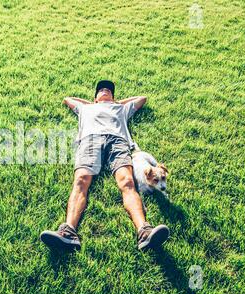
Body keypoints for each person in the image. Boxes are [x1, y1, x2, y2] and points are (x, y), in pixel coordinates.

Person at [40, 80, 170, 252]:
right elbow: (67, 99)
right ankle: (68, 233)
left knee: (127, 182)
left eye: (108, 90)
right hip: (90, 140)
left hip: (118, 141)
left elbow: (142, 99)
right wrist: (93, 104)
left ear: (114, 97)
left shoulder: (121, 108)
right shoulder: (84, 108)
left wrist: (115, 103)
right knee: (81, 181)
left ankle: (144, 231)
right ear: (94, 98)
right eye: (101, 90)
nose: (105, 90)